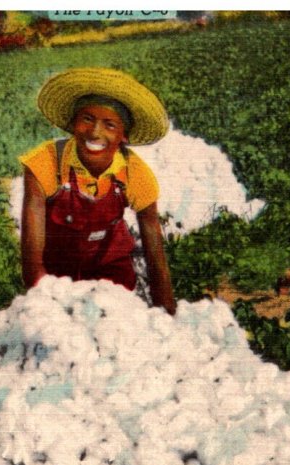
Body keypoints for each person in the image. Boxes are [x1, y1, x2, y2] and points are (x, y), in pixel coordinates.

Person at [19, 67, 176, 314]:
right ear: (73, 123)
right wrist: (47, 305)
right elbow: (32, 264)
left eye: (110, 125)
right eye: (87, 119)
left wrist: (167, 314)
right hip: (56, 281)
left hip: (113, 278)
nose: (95, 132)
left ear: (123, 136)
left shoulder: (135, 173)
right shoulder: (45, 163)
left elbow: (154, 250)